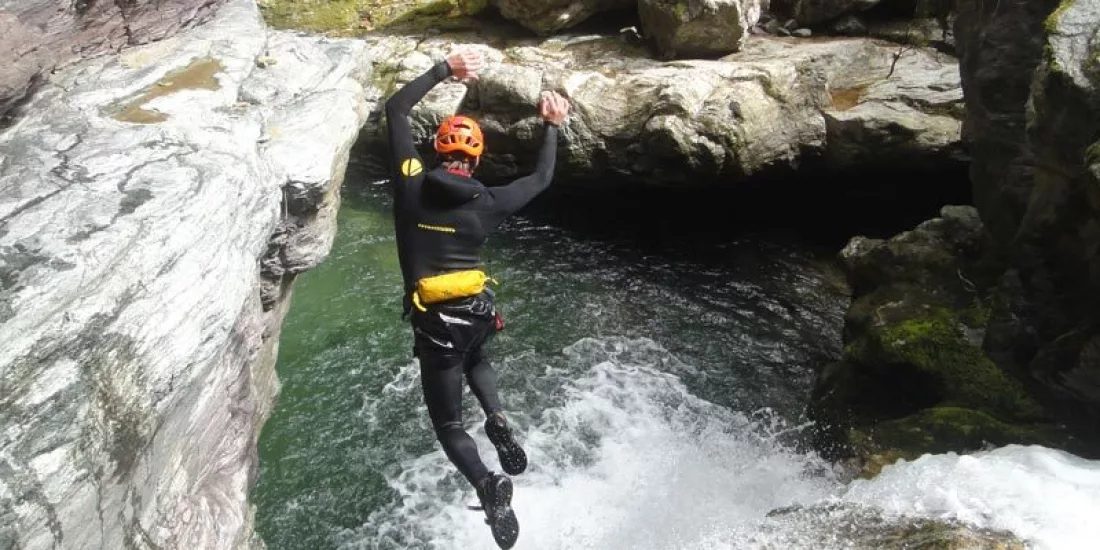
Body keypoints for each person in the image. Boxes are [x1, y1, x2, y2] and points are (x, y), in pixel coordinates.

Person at [383, 48, 570, 549]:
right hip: (477, 313)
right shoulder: (488, 202)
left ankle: (489, 486)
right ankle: (497, 417)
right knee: (477, 357)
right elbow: (541, 179)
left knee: (448, 425)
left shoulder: (411, 183)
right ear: (477, 157)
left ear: (435, 148)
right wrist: (551, 125)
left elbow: (395, 110)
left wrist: (446, 69)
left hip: (436, 324)